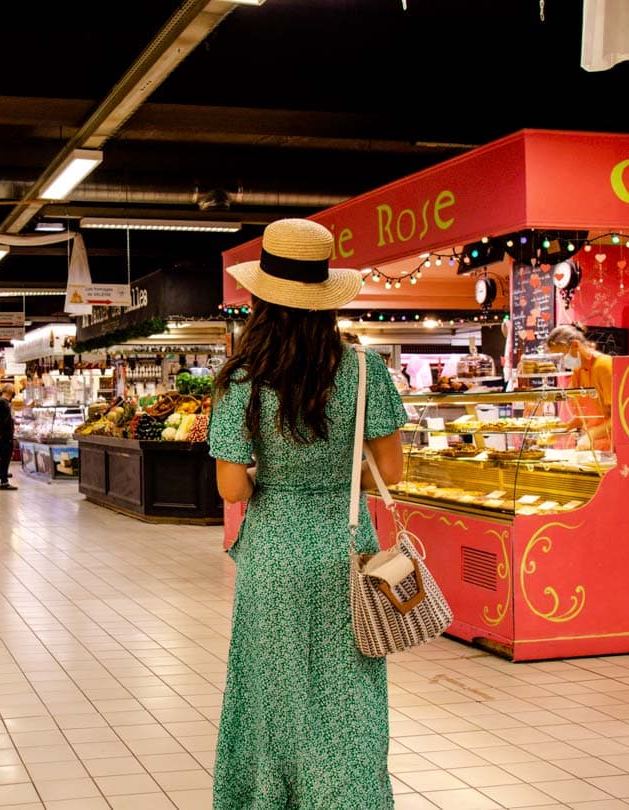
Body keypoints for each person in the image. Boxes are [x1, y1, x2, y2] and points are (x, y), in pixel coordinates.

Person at [208, 218, 406, 809]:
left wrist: (274, 471)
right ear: (327, 296)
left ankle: (270, 798)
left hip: (274, 552)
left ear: (262, 297)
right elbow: (391, 472)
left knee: (272, 692)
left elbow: (232, 490)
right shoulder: (365, 370)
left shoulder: (241, 379)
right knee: (348, 690)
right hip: (350, 552)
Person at [546, 323, 613, 451]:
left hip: (612, 446)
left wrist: (591, 435)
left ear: (575, 345)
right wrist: (561, 431)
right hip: (591, 449)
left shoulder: (604, 366)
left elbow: (620, 416)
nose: (562, 362)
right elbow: (584, 416)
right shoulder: (578, 371)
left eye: (562, 356)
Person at [0, 382, 17, 490]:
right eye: (12, 388)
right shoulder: (1, 401)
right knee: (5, 457)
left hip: (7, 434)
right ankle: (4, 482)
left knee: (5, 457)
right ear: (8, 390)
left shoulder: (7, 402)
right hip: (3, 434)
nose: (14, 389)